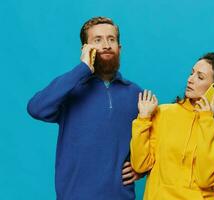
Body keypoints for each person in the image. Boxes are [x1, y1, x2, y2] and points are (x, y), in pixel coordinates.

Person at [27, 16, 142, 200]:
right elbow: (36, 108)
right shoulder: (70, 90)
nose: (106, 45)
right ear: (85, 49)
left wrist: (142, 168)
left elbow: (155, 141)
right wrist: (82, 69)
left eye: (111, 39)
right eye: (98, 40)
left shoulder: (136, 94)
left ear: (119, 48)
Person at [130, 52, 214, 200]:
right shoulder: (164, 113)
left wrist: (206, 119)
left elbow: (205, 178)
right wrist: (143, 119)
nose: (190, 80)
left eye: (200, 77)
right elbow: (140, 165)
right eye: (192, 73)